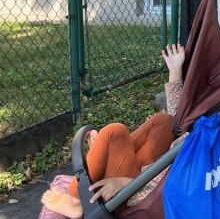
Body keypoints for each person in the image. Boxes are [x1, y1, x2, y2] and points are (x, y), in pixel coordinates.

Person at [40, 44, 186, 219]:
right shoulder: (215, 126)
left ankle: (76, 199)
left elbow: (178, 185)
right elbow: (180, 122)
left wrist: (128, 183)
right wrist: (175, 70)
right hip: (157, 167)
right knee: (165, 121)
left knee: (114, 132)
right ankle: (105, 150)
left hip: (143, 196)